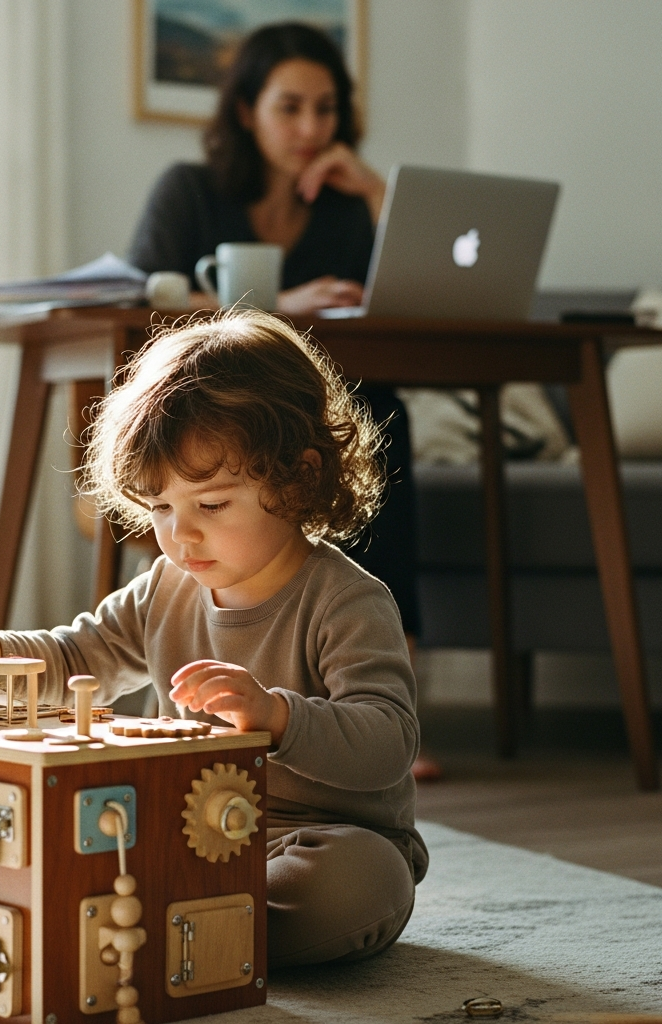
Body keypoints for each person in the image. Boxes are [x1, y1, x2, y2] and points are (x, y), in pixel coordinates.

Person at [0, 310, 427, 969]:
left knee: (352, 886)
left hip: (321, 840)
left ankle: (100, 923)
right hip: (184, 837)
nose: (180, 534)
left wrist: (277, 716)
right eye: (160, 507)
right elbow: (75, 655)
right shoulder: (164, 587)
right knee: (54, 824)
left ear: (299, 478)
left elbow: (387, 742)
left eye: (210, 506)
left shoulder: (348, 600)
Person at [129, 21, 440, 780]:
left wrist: (372, 192)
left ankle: (375, 700)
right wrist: (275, 302)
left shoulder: (342, 207)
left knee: (383, 421)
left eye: (326, 109)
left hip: (317, 416)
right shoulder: (190, 191)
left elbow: (412, 292)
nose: (310, 128)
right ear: (246, 110)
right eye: (290, 107)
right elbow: (143, 294)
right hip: (215, 414)